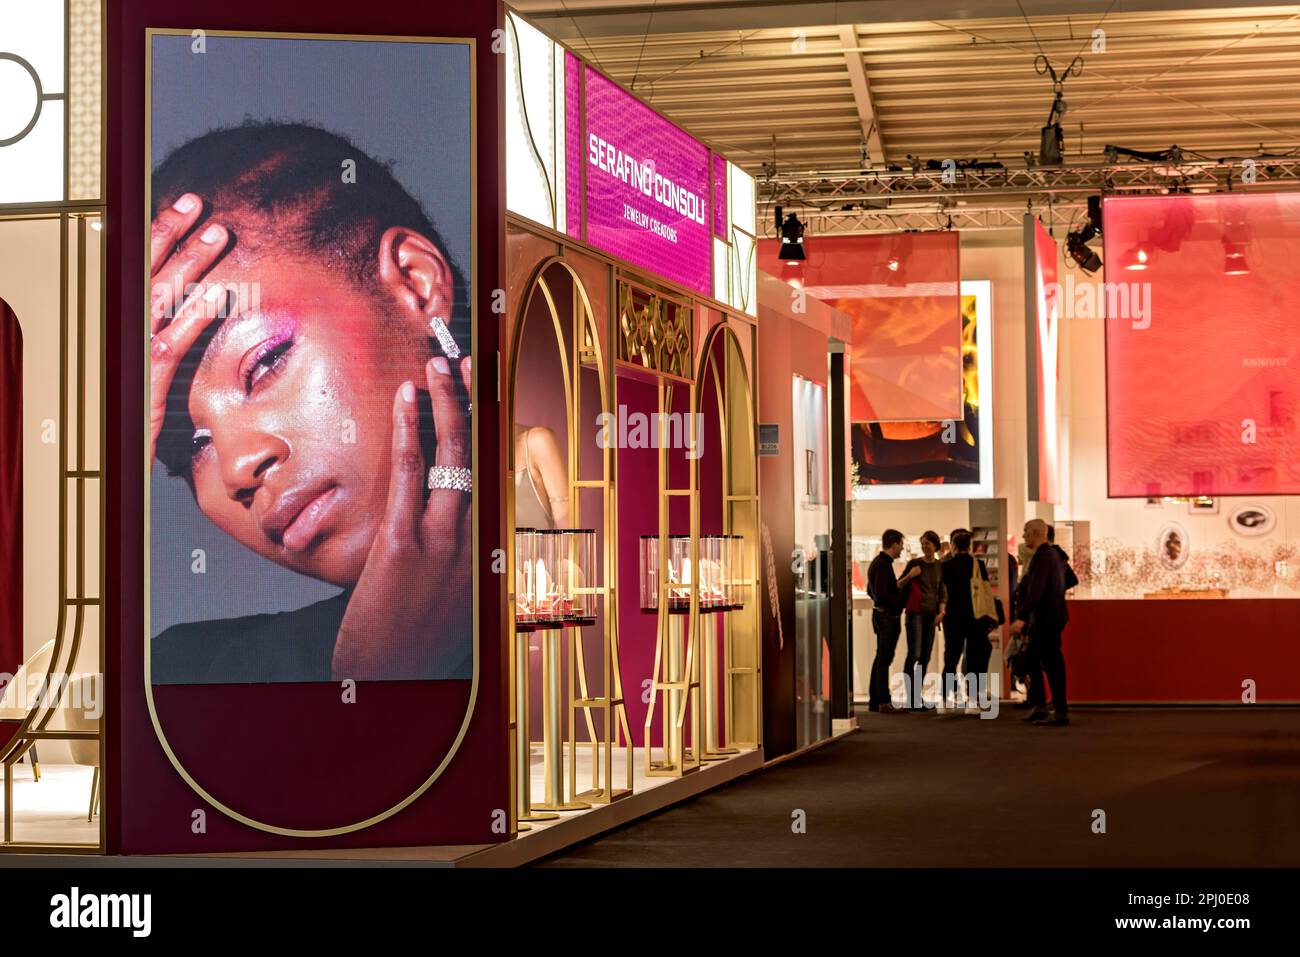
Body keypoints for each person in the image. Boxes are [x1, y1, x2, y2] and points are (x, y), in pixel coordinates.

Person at [148, 121, 473, 684]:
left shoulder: (581, 605)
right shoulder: (188, 675)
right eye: (192, 450)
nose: (236, 468)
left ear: (417, 284)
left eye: (266, 362)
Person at [1011, 519, 1070, 726]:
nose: (1024, 535)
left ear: (1036, 533)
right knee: (1037, 660)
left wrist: (1021, 618)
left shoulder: (1042, 557)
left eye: (1026, 531)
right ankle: (1043, 706)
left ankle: (1056, 710)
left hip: (1046, 619)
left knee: (1048, 663)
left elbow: (1035, 590)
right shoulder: (1054, 555)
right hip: (1052, 618)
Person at [939, 529, 990, 711]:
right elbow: (985, 590)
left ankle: (945, 698)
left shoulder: (946, 566)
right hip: (975, 616)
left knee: (951, 657)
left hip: (952, 616)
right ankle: (973, 699)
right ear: (969, 546)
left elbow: (942, 592)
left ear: (953, 546)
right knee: (974, 658)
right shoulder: (978, 565)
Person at [901, 530, 946, 710]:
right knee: (914, 654)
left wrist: (941, 612)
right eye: (923, 542)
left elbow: (942, 591)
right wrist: (911, 575)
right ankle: (911, 698)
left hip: (931, 615)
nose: (925, 546)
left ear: (935, 545)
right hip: (916, 613)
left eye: (928, 543)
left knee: (925, 657)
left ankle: (916, 697)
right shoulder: (915, 563)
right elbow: (899, 584)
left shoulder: (939, 566)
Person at [866, 529, 907, 713]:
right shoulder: (883, 565)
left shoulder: (878, 563)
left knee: (881, 658)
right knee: (884, 659)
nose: (902, 548)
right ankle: (883, 700)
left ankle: (876, 699)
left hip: (881, 616)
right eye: (901, 544)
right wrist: (899, 600)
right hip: (887, 617)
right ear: (894, 543)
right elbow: (883, 594)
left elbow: (871, 590)